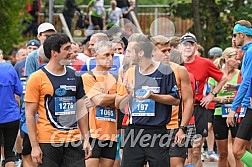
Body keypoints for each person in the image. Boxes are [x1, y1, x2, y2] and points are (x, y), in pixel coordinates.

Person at [25, 33, 92, 166]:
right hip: (48, 141)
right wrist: (35, 146)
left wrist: (86, 138)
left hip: (73, 140)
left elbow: (81, 108)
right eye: (66, 49)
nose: (71, 52)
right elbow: (30, 114)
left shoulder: (75, 75)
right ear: (54, 52)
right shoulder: (36, 78)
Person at [116, 33, 180, 167]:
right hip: (134, 131)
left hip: (157, 131)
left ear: (140, 53)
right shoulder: (130, 72)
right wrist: (130, 94)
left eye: (130, 51)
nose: (127, 54)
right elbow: (118, 103)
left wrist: (152, 96)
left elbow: (175, 100)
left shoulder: (164, 70)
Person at [179, 33, 227, 167]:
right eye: (185, 44)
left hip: (198, 108)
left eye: (191, 44)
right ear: (180, 47)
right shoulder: (176, 63)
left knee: (195, 150)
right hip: (179, 110)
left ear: (195, 46)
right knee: (182, 150)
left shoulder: (204, 63)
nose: (188, 47)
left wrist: (211, 94)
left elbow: (222, 78)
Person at [151, 35, 194, 167]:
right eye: (164, 51)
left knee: (177, 164)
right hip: (152, 127)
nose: (168, 54)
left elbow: (188, 101)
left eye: (169, 50)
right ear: (152, 51)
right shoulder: (144, 71)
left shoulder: (180, 70)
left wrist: (183, 128)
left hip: (175, 126)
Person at [82, 41, 118, 167]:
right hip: (93, 133)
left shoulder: (116, 78)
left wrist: (106, 99)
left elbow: (123, 102)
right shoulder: (88, 76)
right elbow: (99, 100)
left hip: (111, 134)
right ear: (95, 55)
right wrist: (113, 99)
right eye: (106, 55)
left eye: (112, 55)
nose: (110, 58)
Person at [209, 47, 243, 167]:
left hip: (236, 113)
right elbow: (209, 96)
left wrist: (233, 99)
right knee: (222, 153)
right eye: (235, 58)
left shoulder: (240, 73)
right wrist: (221, 99)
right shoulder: (216, 73)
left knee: (237, 152)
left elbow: (245, 92)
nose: (238, 61)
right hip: (220, 113)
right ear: (227, 58)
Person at [226, 20, 252, 167]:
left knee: (237, 150)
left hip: (249, 106)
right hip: (248, 105)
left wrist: (233, 109)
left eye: (235, 35)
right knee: (245, 148)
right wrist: (236, 86)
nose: (234, 39)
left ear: (242, 35)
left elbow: (248, 82)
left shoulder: (250, 52)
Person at [0, 62, 23, 167]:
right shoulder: (8, 67)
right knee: (9, 155)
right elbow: (19, 90)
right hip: (11, 116)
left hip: (8, 116)